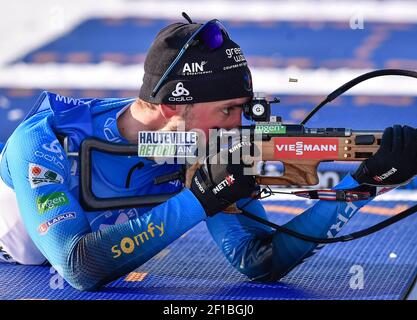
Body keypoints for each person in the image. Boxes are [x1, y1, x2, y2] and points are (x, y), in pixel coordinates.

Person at [0, 15, 417, 291]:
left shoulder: (204, 146)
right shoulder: (45, 138)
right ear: (170, 107)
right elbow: (77, 266)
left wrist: (362, 183)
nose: (238, 125)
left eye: (243, 109)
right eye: (227, 110)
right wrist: (199, 200)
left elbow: (260, 260)